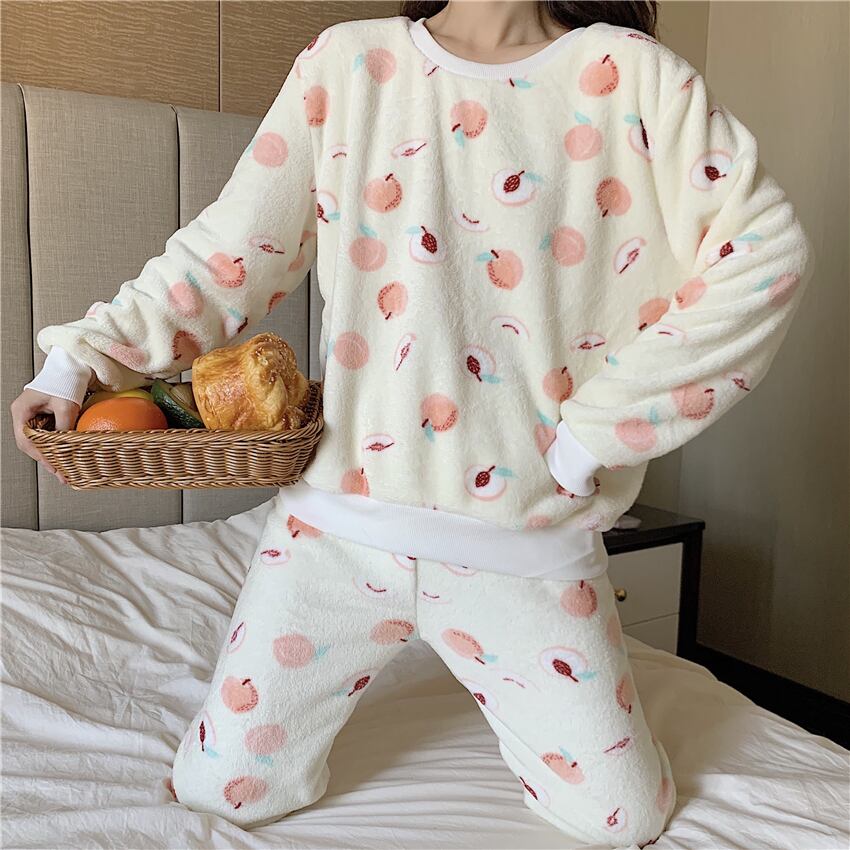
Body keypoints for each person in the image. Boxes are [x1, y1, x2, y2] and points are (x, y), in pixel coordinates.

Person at [11, 0, 813, 844]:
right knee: (224, 792)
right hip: (336, 534)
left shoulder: (633, 78)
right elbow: (229, 254)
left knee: (621, 819)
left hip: (525, 540)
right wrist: (79, 360)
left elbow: (763, 254)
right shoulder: (346, 65)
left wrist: (601, 431)